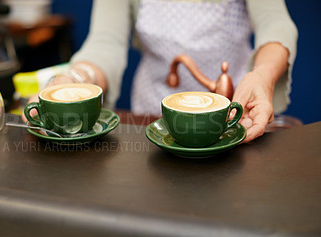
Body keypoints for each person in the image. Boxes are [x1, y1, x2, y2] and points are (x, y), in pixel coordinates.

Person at [25, 0, 297, 143]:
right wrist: (72, 80)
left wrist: (261, 76)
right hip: (151, 119)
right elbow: (105, 42)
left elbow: (276, 24)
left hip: (233, 118)